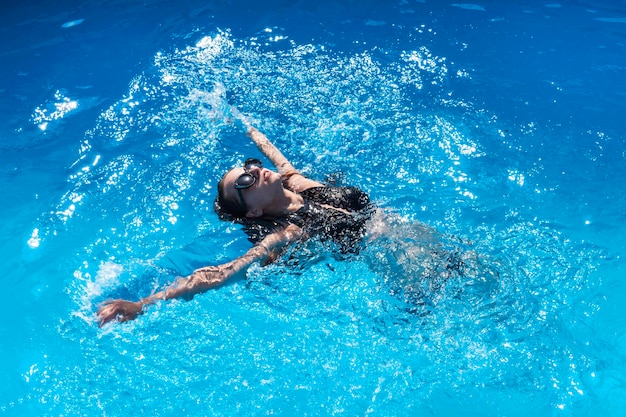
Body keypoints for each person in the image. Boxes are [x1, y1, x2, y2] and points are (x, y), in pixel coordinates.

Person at [97, 122, 375, 326]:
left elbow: (274, 154)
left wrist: (247, 126)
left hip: (385, 223)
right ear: (253, 212)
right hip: (383, 248)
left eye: (249, 166)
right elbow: (224, 273)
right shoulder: (285, 233)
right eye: (245, 181)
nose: (254, 170)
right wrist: (143, 304)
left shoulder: (296, 182)